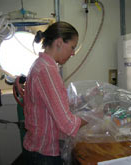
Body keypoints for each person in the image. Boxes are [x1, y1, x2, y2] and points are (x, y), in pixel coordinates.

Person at [22, 21, 88, 165]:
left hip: (39, 149)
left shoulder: (43, 65)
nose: (73, 53)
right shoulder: (46, 70)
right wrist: (94, 119)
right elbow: (67, 125)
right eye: (72, 47)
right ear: (59, 42)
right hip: (42, 155)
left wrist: (86, 98)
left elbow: (57, 102)